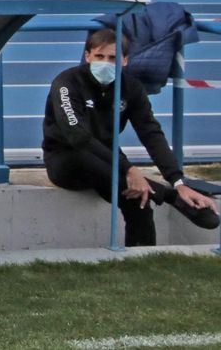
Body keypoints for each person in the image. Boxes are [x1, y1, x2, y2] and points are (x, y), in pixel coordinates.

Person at [43, 29, 219, 247]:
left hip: (109, 162)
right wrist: (130, 169)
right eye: (99, 56)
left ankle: (144, 262)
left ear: (125, 60)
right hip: (66, 160)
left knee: (140, 199)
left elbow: (151, 133)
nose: (105, 63)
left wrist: (178, 180)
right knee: (91, 159)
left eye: (113, 58)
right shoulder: (66, 83)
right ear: (87, 55)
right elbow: (78, 137)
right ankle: (170, 197)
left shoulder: (131, 88)